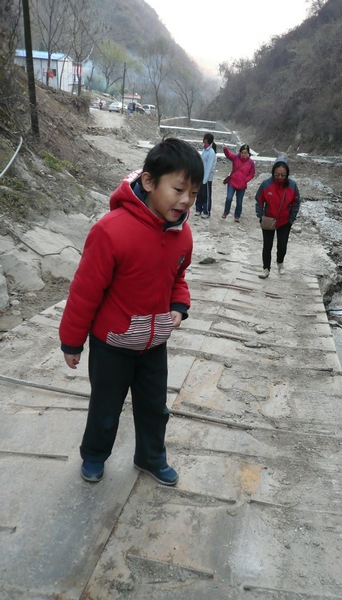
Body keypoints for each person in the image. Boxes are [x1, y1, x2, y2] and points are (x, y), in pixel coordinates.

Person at [59, 138, 204, 485]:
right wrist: (72, 342)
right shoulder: (111, 230)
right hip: (112, 345)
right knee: (106, 407)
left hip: (154, 344)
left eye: (194, 194)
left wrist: (179, 308)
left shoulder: (182, 235)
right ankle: (94, 455)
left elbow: (177, 278)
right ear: (150, 182)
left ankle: (150, 457)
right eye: (179, 189)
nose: (186, 201)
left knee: (155, 409)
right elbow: (85, 291)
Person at [255, 157, 300, 278]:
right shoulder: (266, 184)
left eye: (282, 175)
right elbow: (259, 200)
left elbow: (296, 202)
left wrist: (291, 219)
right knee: (267, 246)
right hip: (268, 220)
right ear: (273, 173)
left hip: (285, 221)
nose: (279, 177)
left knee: (282, 246)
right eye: (277, 175)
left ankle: (280, 262)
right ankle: (266, 269)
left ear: (287, 174)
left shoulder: (292, 185)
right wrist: (260, 216)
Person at [221, 143, 255, 223]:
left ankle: (237, 216)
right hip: (232, 182)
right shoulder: (236, 158)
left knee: (239, 202)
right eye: (242, 153)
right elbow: (229, 155)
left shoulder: (251, 162)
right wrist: (225, 149)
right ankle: (226, 212)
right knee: (229, 198)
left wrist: (245, 180)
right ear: (240, 152)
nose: (244, 155)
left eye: (245, 153)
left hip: (242, 186)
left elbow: (252, 173)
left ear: (248, 153)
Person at [194, 133, 217, 218]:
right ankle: (198, 209)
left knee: (206, 195)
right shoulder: (205, 150)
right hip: (201, 176)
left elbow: (209, 167)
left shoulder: (211, 153)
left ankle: (206, 211)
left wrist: (205, 179)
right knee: (199, 194)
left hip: (207, 179)